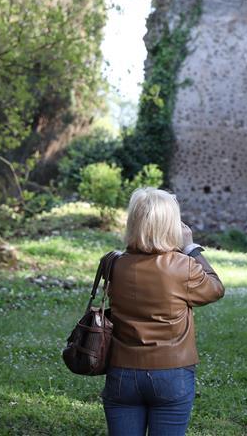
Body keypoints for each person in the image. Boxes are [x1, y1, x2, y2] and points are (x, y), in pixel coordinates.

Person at [101, 187, 225, 436]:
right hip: (172, 373)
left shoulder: (113, 264)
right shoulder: (184, 266)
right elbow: (216, 289)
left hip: (122, 371)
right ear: (171, 225)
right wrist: (190, 248)